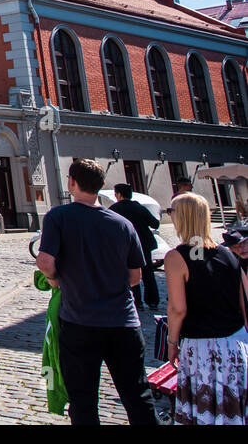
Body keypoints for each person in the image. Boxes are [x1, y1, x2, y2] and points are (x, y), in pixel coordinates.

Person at [36, 158, 157, 426]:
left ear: (71, 182)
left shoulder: (59, 216)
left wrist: (56, 281)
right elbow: (135, 277)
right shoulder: (122, 224)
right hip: (124, 323)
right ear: (102, 186)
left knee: (83, 401)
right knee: (138, 396)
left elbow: (45, 262)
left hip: (79, 322)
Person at [163, 194, 248, 424]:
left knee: (205, 414)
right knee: (232, 413)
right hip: (235, 346)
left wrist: (172, 344)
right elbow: (244, 303)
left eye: (172, 211)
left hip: (203, 349)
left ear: (181, 217)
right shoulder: (229, 254)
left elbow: (177, 309)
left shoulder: (176, 257)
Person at [107, 183, 161, 311]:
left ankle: (137, 303)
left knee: (131, 272)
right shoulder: (139, 207)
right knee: (148, 273)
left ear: (119, 194)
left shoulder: (114, 209)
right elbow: (155, 223)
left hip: (125, 246)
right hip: (144, 244)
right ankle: (153, 301)